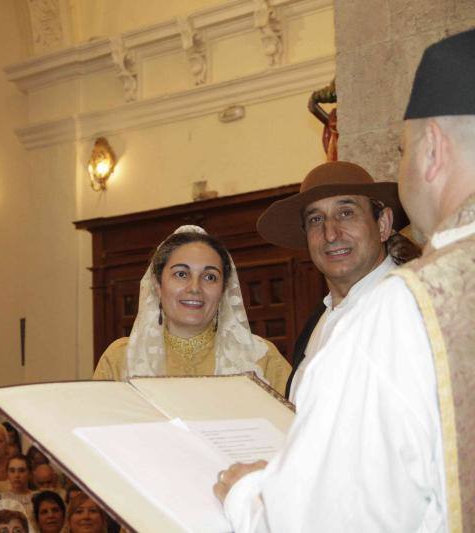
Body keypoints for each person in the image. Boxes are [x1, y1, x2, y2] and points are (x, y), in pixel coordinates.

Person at [213, 29, 475, 531]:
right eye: (315, 220)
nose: (330, 232)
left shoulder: (400, 312)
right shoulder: (326, 322)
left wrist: (244, 493)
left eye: (403, 149)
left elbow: (327, 518)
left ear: (433, 149)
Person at [256, 160, 418, 401]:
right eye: (316, 220)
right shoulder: (317, 322)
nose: (330, 234)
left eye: (346, 213)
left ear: (383, 224)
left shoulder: (410, 308)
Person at [93, 225, 291, 395]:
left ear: (223, 290)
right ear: (157, 284)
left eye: (210, 277)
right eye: (181, 274)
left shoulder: (261, 357)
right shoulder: (121, 358)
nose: (195, 287)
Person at [2, 455, 36, 520]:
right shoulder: (1, 499)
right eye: (12, 471)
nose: (17, 475)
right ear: (7, 473)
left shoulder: (37, 498)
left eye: (22, 470)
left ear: (30, 473)